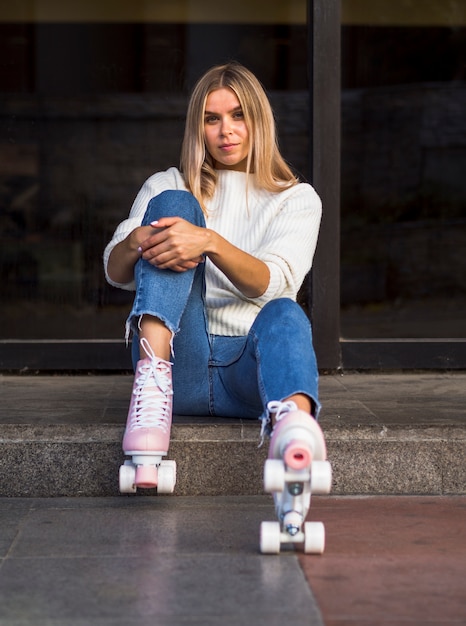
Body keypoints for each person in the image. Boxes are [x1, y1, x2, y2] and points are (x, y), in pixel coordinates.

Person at [103, 62, 329, 542]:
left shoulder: (297, 199)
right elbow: (115, 270)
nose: (226, 131)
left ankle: (294, 432)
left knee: (287, 312)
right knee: (173, 208)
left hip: (250, 374)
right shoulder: (168, 183)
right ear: (198, 127)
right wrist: (142, 239)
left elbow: (270, 282)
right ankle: (150, 381)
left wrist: (208, 242)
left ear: (258, 120)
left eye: (238, 115)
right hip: (177, 364)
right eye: (211, 118)